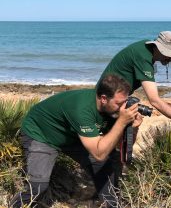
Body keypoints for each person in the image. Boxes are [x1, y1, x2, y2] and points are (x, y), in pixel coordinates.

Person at [10, 74, 143, 208]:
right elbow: (99, 154)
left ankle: (112, 205)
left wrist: (132, 128)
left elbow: (121, 147)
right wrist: (121, 122)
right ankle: (15, 205)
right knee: (38, 186)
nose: (123, 108)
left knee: (105, 165)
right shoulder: (82, 109)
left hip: (71, 135)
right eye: (119, 103)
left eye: (125, 102)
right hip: (42, 133)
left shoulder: (112, 109)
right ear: (103, 99)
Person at [97, 31, 171, 133]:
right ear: (160, 48)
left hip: (114, 98)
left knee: (135, 124)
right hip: (107, 103)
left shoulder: (146, 49)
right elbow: (154, 100)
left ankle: (125, 154)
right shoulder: (143, 57)